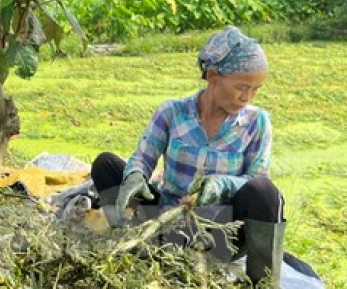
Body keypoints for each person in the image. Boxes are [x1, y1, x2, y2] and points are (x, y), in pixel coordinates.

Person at [91, 26, 285, 286]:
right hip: (167, 222)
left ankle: (263, 282)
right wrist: (135, 176)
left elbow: (256, 177)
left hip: (223, 234)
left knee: (266, 191)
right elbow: (142, 158)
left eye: (255, 89)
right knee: (106, 164)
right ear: (213, 76)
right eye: (241, 87)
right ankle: (130, 242)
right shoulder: (172, 112)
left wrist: (222, 184)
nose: (246, 97)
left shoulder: (256, 121)